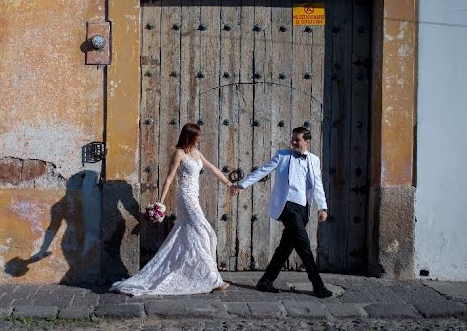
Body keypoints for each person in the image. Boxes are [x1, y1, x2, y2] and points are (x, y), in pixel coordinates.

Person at [111, 122, 234, 296]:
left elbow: (212, 168)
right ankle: (212, 279)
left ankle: (200, 274)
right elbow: (169, 178)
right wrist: (160, 204)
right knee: (205, 232)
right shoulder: (179, 153)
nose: (199, 138)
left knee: (190, 234)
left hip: (194, 197)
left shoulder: (196, 153)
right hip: (185, 197)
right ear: (189, 136)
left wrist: (229, 184)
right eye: (197, 136)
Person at [230, 126, 333, 298]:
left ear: (307, 142)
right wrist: (241, 185)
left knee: (286, 247)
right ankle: (317, 285)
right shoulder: (283, 155)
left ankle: (266, 281)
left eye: (297, 139)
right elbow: (262, 170)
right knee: (304, 245)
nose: (293, 142)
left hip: (303, 208)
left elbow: (318, 184)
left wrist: (322, 207)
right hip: (287, 206)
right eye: (292, 138)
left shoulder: (314, 160)